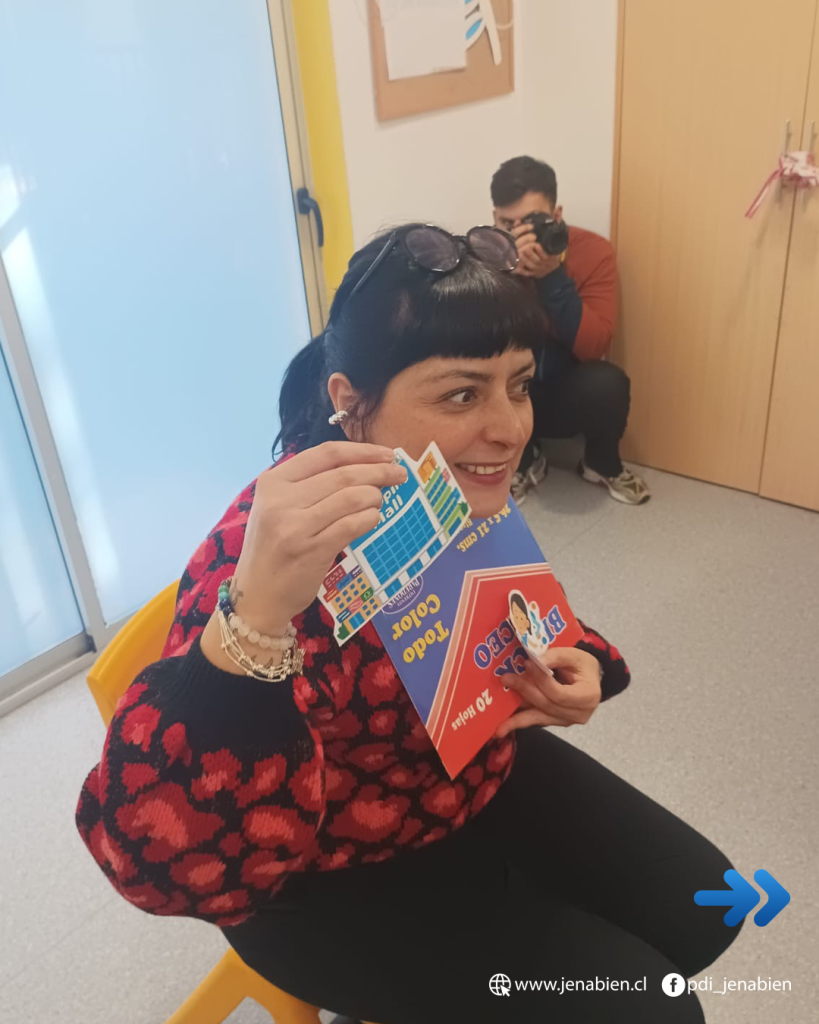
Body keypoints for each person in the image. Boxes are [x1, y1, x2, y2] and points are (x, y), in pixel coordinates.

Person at [76, 223, 737, 1024]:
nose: (510, 428)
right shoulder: (270, 561)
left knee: (711, 910)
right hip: (324, 871)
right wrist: (252, 625)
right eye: (461, 394)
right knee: (656, 1010)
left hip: (468, 772)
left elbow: (526, 614)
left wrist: (581, 662)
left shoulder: (439, 487)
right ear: (348, 400)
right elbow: (158, 869)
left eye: (519, 385)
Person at [491, 155, 651, 506]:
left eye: (531, 222)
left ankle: (601, 463)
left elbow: (595, 345)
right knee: (483, 373)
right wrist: (506, 275)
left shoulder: (592, 251)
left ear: (556, 216)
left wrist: (552, 277)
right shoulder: (488, 252)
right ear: (494, 219)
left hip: (566, 390)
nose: (519, 235)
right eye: (507, 224)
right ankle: (524, 461)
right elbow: (479, 344)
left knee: (609, 383)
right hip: (512, 393)